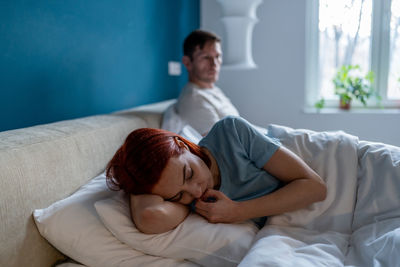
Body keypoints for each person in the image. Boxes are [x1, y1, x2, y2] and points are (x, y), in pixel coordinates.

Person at [106, 116, 327, 234]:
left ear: (183, 143)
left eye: (189, 173)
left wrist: (238, 211)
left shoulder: (231, 132)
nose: (196, 191)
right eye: (177, 196)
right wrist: (136, 183)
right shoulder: (192, 200)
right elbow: (150, 217)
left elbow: (315, 187)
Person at [162, 30, 239, 136]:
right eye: (206, 57)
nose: (214, 64)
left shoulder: (214, 91)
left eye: (217, 56)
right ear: (187, 63)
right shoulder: (194, 98)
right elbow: (223, 145)